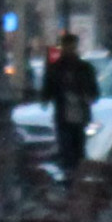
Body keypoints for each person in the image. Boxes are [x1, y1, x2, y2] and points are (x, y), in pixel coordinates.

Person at [40, 30, 101, 183]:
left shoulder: (84, 68)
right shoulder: (56, 68)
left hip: (79, 116)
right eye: (67, 47)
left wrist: (87, 97)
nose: (70, 50)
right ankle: (71, 182)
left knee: (78, 150)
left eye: (72, 47)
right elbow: (48, 90)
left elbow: (94, 92)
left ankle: (77, 181)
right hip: (64, 116)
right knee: (67, 151)